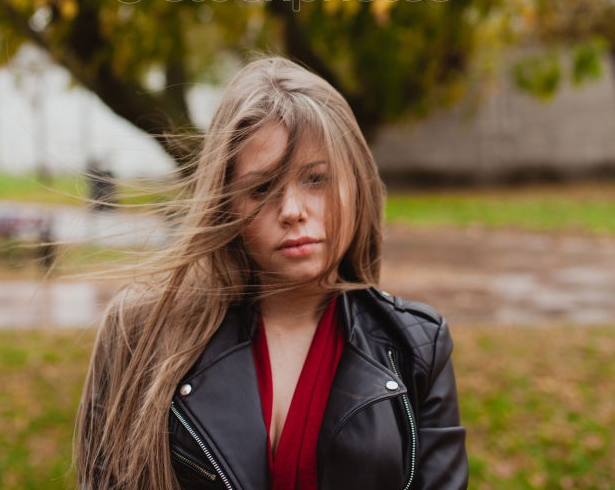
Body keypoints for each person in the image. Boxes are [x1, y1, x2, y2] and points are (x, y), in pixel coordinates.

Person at [75, 55, 468, 490]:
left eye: (315, 179)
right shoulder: (142, 331)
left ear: (355, 182)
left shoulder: (416, 345)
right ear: (226, 202)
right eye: (261, 188)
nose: (292, 211)